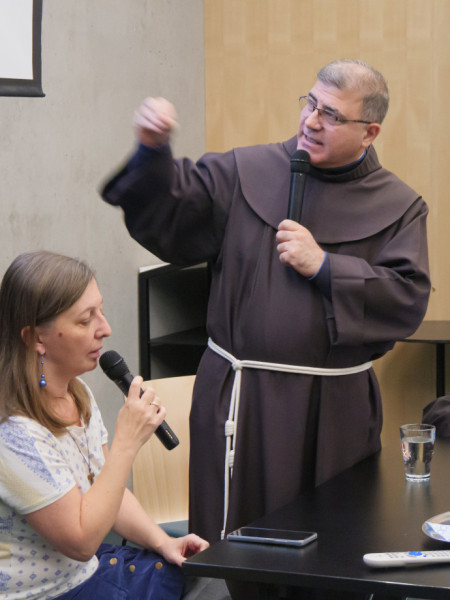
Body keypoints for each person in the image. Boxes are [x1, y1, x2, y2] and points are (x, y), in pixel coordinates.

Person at [100, 59, 431, 554]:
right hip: (238, 398)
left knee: (331, 548)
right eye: (311, 104)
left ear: (370, 132)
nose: (312, 121)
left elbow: (406, 298)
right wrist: (153, 151)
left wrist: (326, 266)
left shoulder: (399, 206)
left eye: (332, 115)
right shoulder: (245, 171)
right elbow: (173, 213)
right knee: (231, 548)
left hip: (333, 412)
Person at [0, 251, 219, 600]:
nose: (105, 329)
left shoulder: (77, 392)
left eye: (100, 311)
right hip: (54, 592)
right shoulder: (13, 434)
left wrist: (164, 541)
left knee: (215, 578)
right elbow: (82, 542)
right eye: (85, 320)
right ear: (35, 338)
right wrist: (127, 443)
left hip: (92, 570)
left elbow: (108, 492)